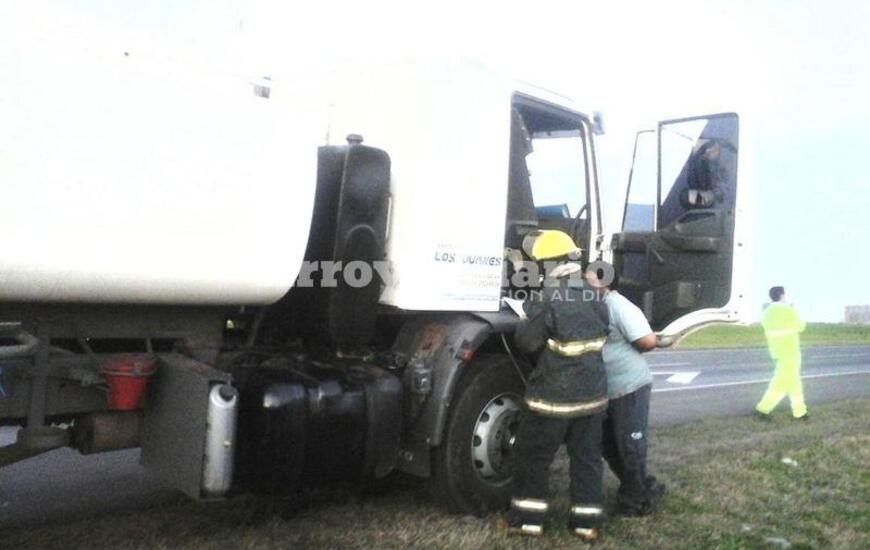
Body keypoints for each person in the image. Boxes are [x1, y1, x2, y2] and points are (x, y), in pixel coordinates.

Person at [506, 230, 610, 541]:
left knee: (533, 457)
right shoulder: (596, 297)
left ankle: (527, 521)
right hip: (592, 397)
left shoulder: (549, 298)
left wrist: (526, 318)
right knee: (587, 460)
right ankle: (586, 525)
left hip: (553, 397)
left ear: (550, 265)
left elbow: (527, 342)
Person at [586, 270, 666, 517]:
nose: (585, 284)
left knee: (630, 444)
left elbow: (647, 341)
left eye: (589, 280)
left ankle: (635, 502)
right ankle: (644, 486)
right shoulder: (592, 305)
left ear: (605, 283)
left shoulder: (619, 306)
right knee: (609, 445)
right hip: (607, 390)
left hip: (630, 387)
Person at [755, 286, 808, 419]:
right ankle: (763, 409)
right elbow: (801, 326)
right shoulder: (788, 310)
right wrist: (794, 310)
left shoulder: (766, 313)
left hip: (776, 351)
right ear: (782, 295)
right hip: (791, 351)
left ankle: (800, 412)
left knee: (794, 382)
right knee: (781, 383)